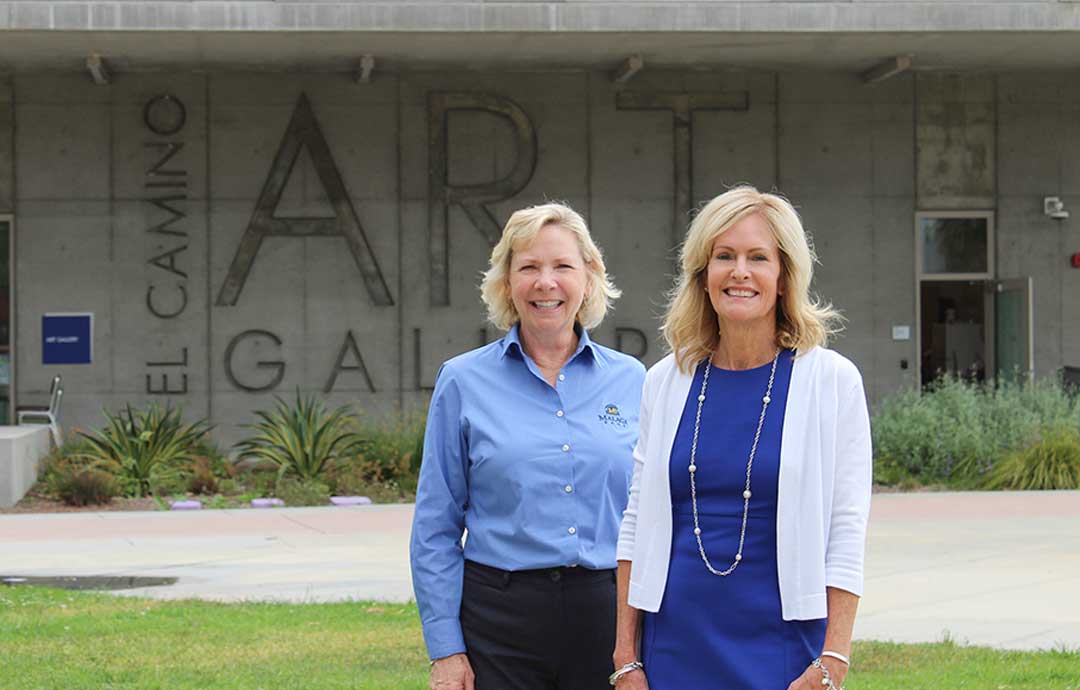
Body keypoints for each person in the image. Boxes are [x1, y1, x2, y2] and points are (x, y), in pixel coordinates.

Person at [611, 186, 872, 690]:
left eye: (758, 257)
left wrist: (834, 657)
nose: (739, 272)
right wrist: (627, 655)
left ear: (784, 277)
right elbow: (637, 521)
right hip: (673, 644)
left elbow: (847, 527)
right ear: (702, 275)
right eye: (724, 256)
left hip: (785, 646)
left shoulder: (832, 382)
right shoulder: (665, 381)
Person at [411, 202, 646, 690]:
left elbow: (655, 519)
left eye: (562, 266)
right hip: (498, 622)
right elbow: (435, 528)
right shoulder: (462, 381)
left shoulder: (634, 381)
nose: (546, 283)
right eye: (529, 267)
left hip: (608, 616)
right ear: (506, 281)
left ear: (589, 276)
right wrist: (446, 651)